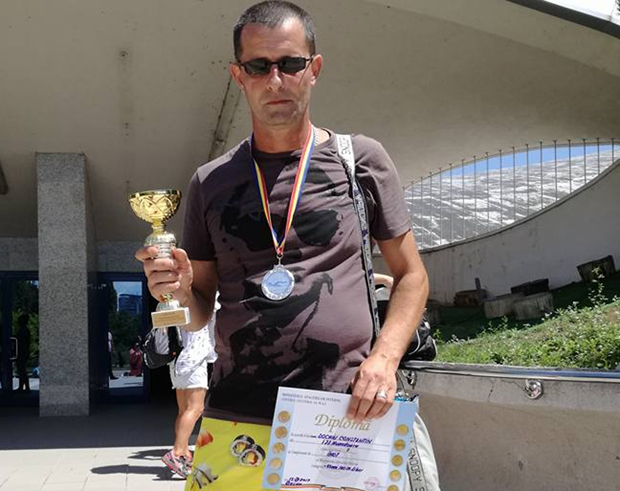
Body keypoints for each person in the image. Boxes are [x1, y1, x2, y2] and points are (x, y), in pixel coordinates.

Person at [136, 2, 439, 488]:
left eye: (290, 64)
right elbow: (197, 311)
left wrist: (384, 360)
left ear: (313, 69)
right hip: (237, 418)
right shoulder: (210, 182)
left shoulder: (360, 161)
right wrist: (177, 289)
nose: (275, 80)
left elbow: (411, 276)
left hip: (343, 415)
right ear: (239, 76)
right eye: (258, 66)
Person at [161, 309, 217, 478]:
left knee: (184, 410)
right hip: (194, 359)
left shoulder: (174, 302)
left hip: (177, 359)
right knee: (196, 408)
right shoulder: (203, 302)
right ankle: (177, 452)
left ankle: (184, 452)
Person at [16, 314, 31, 392]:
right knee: (21, 369)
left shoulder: (24, 330)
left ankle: (25, 387)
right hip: (22, 351)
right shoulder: (23, 329)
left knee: (22, 369)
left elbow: (24, 342)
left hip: (22, 351)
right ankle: (22, 386)